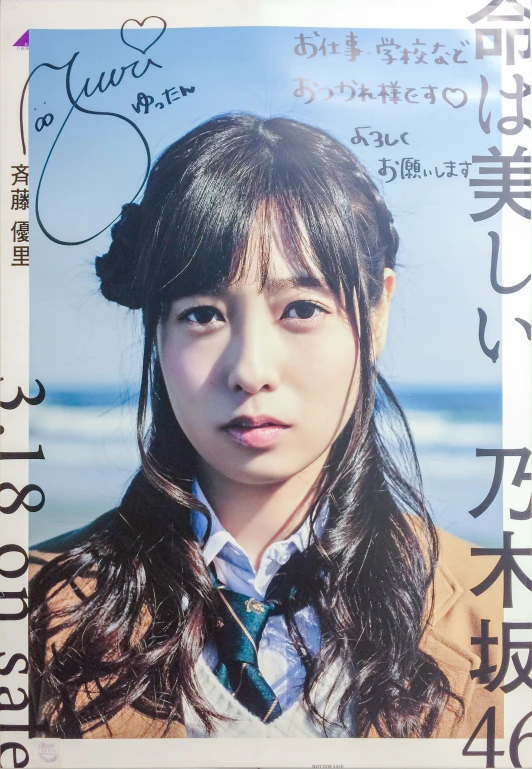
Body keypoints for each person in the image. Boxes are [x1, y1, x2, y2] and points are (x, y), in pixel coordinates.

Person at [29, 113, 502, 740]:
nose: (250, 370)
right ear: (157, 332)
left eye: (301, 309)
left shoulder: (497, 607)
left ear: (377, 313)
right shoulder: (34, 608)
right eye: (202, 314)